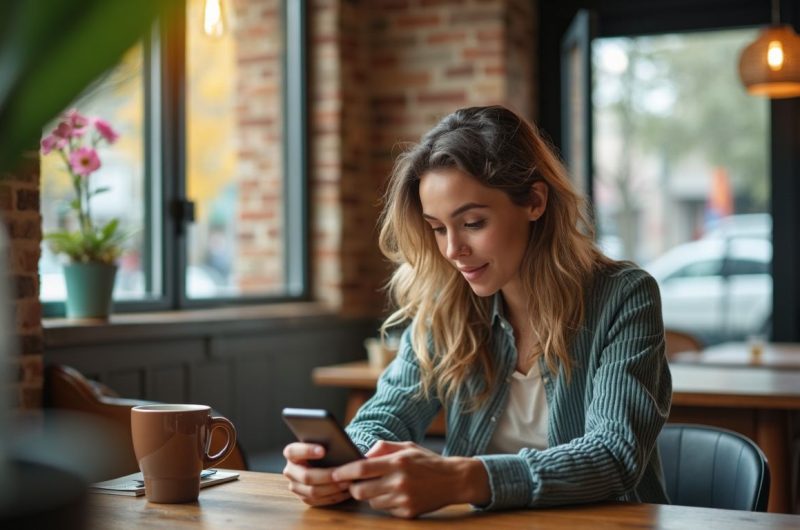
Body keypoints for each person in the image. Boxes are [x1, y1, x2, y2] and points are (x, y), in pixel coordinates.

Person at [283, 105, 672, 518]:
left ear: (535, 201)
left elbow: (614, 455)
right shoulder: (447, 306)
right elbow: (385, 415)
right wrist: (340, 463)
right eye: (437, 228)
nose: (453, 250)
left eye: (472, 223)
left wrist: (460, 479)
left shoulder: (626, 297)